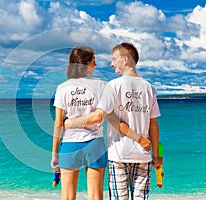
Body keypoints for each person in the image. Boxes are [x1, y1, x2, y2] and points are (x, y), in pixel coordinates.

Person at [51, 45, 151, 200]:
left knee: (67, 196)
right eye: (93, 61)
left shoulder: (62, 88)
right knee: (96, 196)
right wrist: (138, 136)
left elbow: (59, 123)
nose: (95, 65)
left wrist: (54, 154)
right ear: (85, 63)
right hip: (94, 144)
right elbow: (111, 118)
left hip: (70, 144)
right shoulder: (103, 86)